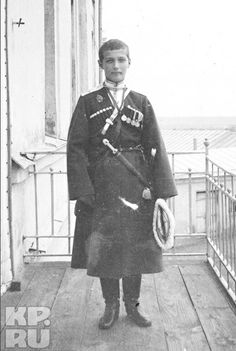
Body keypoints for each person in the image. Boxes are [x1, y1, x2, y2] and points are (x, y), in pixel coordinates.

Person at [67, 39, 177, 329]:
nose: (116, 66)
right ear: (101, 64)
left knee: (134, 249)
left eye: (121, 60)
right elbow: (76, 149)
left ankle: (133, 305)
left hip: (135, 189)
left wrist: (160, 190)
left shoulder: (141, 102)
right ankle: (110, 306)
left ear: (129, 63)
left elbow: (155, 145)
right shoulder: (89, 102)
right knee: (105, 250)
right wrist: (84, 191)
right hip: (101, 191)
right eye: (110, 60)